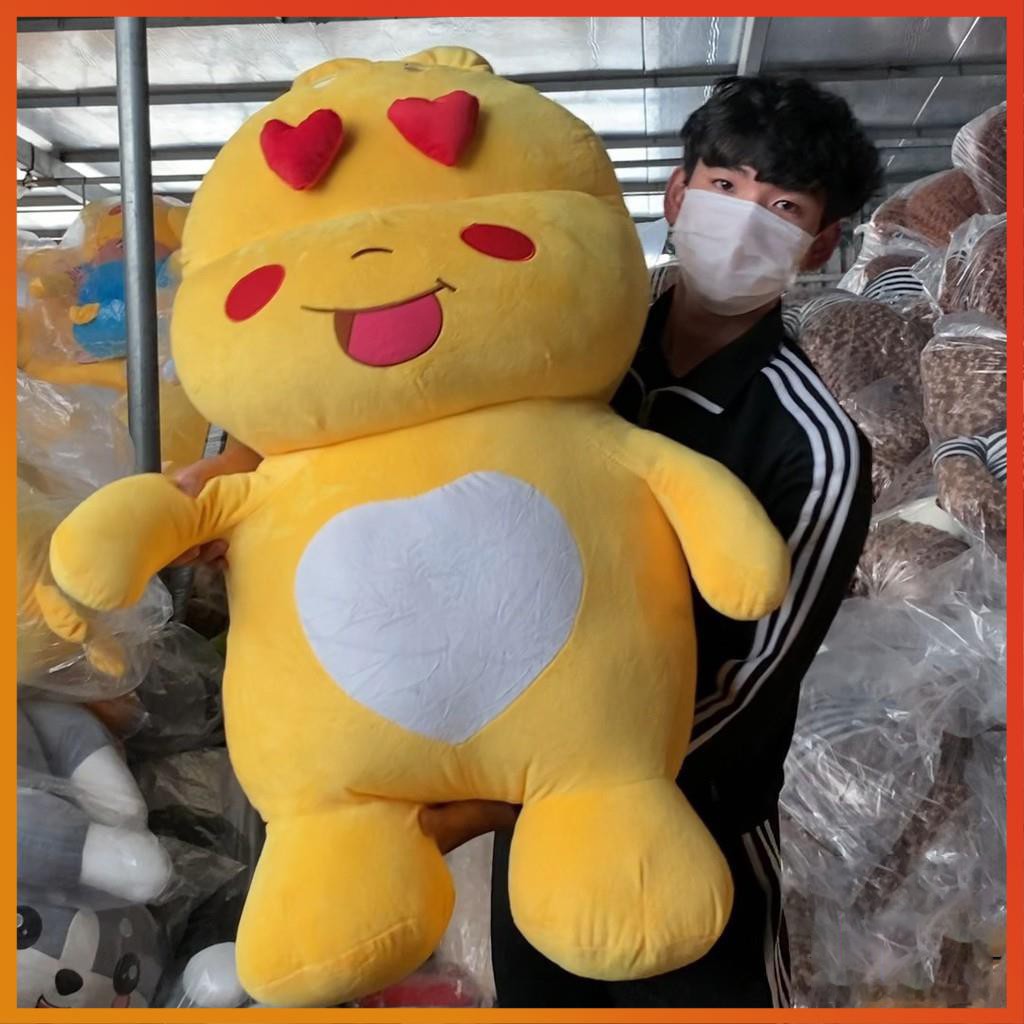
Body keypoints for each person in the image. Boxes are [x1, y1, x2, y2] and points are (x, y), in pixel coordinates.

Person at [170, 74, 879, 1009]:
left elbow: (749, 678)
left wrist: (542, 779)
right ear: (677, 192)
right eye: (724, 185)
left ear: (821, 244)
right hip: (530, 793)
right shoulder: (569, 321)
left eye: (783, 207)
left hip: (682, 816)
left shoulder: (812, 440)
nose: (743, 220)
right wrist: (245, 465)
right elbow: (394, 399)